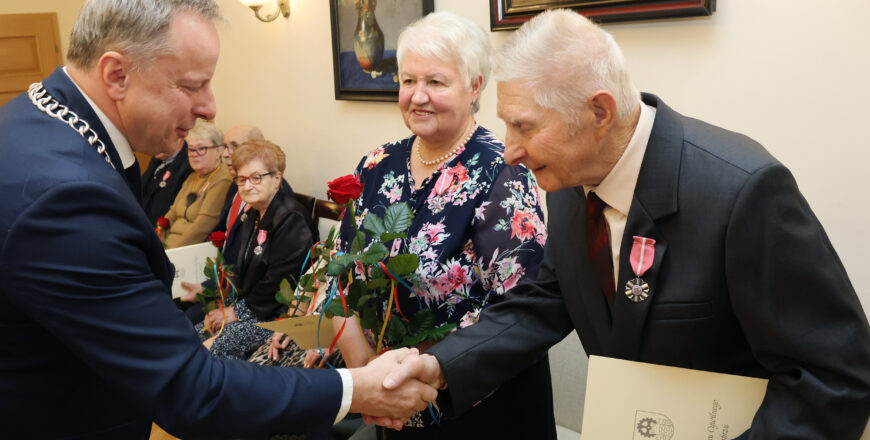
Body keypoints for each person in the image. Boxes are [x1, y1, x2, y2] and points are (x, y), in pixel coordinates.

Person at [384, 9, 870, 439]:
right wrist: (438, 367)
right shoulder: (570, 183)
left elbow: (836, 380)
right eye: (507, 124)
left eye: (526, 126)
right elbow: (544, 300)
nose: (509, 149)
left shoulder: (744, 192)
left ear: (599, 111)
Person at [0, 1, 438, 438]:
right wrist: (355, 389)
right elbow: (191, 390)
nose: (210, 107)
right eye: (193, 85)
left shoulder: (33, 124)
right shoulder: (67, 198)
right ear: (117, 75)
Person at [328, 11, 556, 439]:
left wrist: (424, 372)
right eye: (408, 80)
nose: (418, 96)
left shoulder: (503, 171)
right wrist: (364, 371)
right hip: (387, 390)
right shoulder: (378, 164)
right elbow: (340, 265)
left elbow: (515, 307)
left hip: (472, 401)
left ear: (474, 87)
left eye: (435, 82)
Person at [188, 140, 315, 360]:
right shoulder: (253, 213)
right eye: (241, 179)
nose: (247, 186)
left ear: (276, 179)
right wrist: (223, 306)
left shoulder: (292, 219)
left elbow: (280, 284)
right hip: (251, 305)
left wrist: (234, 312)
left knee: (209, 349)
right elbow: (241, 270)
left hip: (278, 315)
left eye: (256, 178)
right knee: (192, 334)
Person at [160, 119, 232, 248]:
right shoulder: (192, 177)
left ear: (219, 150)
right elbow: (171, 214)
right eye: (191, 149)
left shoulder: (222, 178)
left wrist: (172, 254)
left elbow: (203, 226)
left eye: (201, 148)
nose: (194, 154)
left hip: (187, 250)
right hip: (168, 247)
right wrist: (156, 243)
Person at [140, 138, 194, 225]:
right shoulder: (159, 159)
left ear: (179, 138)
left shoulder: (189, 166)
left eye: (160, 139)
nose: (154, 145)